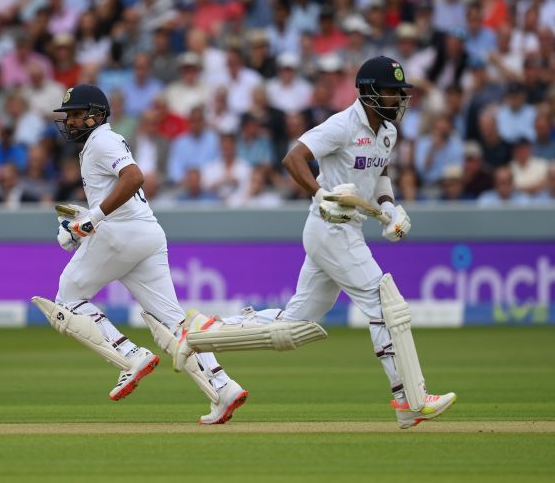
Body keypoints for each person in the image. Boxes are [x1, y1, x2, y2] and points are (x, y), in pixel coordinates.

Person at [173, 57, 456, 429]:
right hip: (329, 226)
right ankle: (409, 400)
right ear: (369, 92)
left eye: (402, 93)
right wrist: (320, 193)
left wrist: (390, 207)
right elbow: (294, 159)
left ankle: (202, 333)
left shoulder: (388, 132)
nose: (399, 99)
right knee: (385, 304)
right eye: (392, 91)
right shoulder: (341, 125)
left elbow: (379, 172)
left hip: (348, 229)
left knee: (295, 325)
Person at [33, 84, 247, 424]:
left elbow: (134, 177)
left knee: (68, 296)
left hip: (120, 233)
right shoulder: (98, 143)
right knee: (173, 322)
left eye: (76, 115)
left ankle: (131, 355)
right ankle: (223, 386)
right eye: (68, 116)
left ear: (97, 114)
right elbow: (113, 192)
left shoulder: (103, 140)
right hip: (146, 233)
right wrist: (81, 222)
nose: (70, 122)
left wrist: (94, 219)